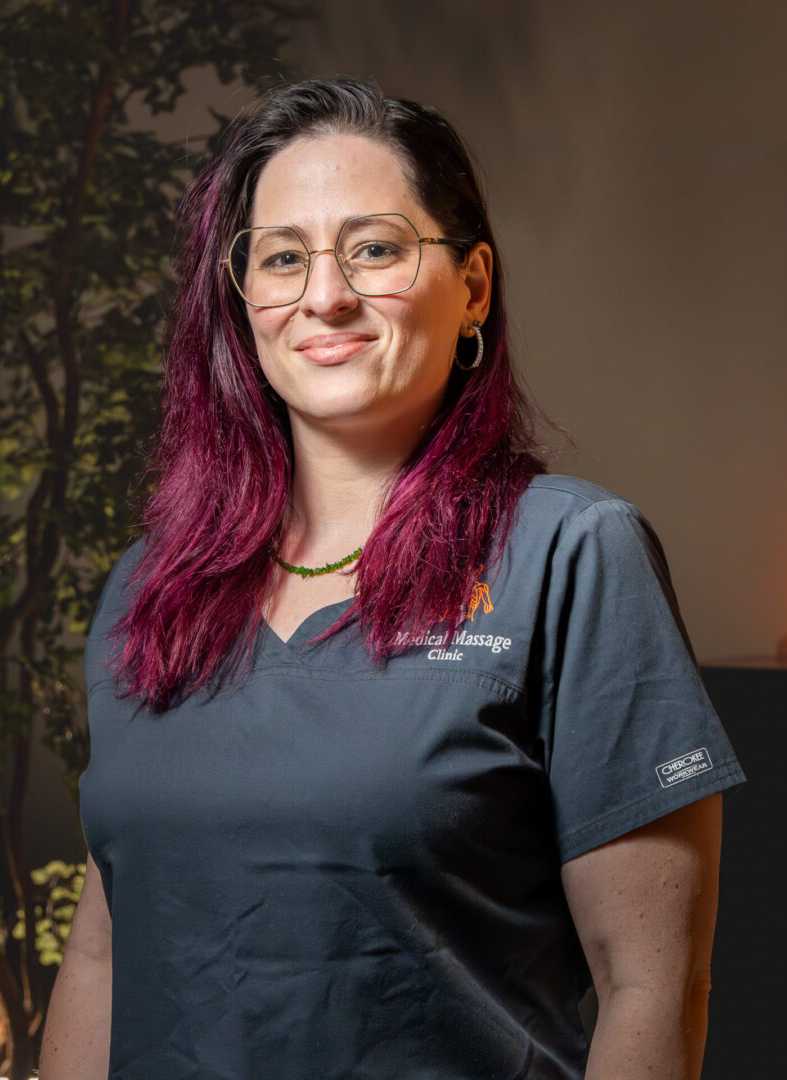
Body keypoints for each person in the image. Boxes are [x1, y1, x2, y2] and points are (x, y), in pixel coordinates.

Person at [38, 78, 744, 1080]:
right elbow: (103, 957)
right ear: (241, 306)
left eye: (374, 248)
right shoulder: (150, 590)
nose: (325, 295)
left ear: (476, 286)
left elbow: (653, 989)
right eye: (283, 258)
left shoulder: (573, 554)